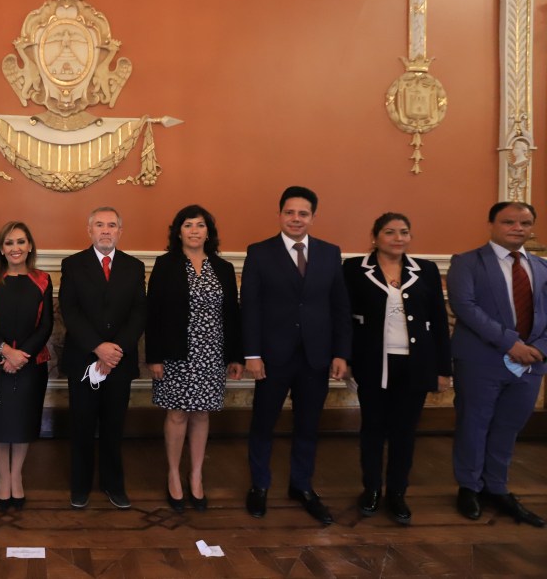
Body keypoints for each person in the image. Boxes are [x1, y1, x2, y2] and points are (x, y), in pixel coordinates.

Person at [241, 185, 351, 525]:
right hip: (272, 356)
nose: (296, 218)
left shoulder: (330, 253)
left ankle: (301, 486)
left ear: (313, 218)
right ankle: (260, 485)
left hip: (316, 357)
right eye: (289, 212)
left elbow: (340, 307)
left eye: (303, 213)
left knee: (308, 425)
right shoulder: (259, 252)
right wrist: (252, 354)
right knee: (263, 423)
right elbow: (250, 307)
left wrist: (341, 353)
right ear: (279, 215)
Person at [342, 212, 451, 525]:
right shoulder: (354, 269)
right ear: (375, 237)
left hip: (416, 364)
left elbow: (439, 321)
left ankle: (397, 492)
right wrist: (344, 358)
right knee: (373, 429)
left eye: (404, 232)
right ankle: (372, 489)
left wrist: (443, 368)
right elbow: (343, 317)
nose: (398, 238)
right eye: (390, 232)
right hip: (373, 363)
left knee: (405, 431)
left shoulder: (426, 270)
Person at [448, 201, 547, 527]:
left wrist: (539, 350)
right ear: (491, 224)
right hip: (481, 360)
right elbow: (465, 307)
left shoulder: (542, 267)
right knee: (473, 425)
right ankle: (469, 487)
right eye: (509, 222)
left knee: (508, 427)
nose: (518, 228)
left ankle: (497, 487)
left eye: (525, 223)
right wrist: (510, 343)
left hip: (530, 364)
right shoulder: (467, 262)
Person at [145, 205, 242, 513]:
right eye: (188, 225)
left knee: (201, 414)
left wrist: (235, 356)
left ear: (208, 232)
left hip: (211, 354)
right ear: (179, 232)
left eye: (200, 225)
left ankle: (196, 475)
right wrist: (155, 356)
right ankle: (174, 474)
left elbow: (232, 315)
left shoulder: (223, 268)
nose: (194, 231)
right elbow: (153, 313)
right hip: (176, 353)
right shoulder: (165, 265)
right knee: (176, 414)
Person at [59, 206, 147, 510]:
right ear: (90, 230)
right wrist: (98, 347)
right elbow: (70, 311)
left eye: (111, 225)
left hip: (119, 362)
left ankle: (113, 484)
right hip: (83, 359)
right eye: (99, 225)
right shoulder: (72, 265)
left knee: (114, 426)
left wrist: (114, 350)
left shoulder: (134, 267)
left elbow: (139, 313)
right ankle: (80, 486)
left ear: (120, 231)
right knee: (82, 425)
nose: (106, 230)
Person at [0, 221, 53, 512]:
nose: (15, 248)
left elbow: (46, 325)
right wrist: (6, 352)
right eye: (9, 243)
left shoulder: (43, 279)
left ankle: (16, 475)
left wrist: (22, 356)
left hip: (30, 364)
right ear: (1, 249)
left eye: (20, 241)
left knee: (22, 422)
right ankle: (3, 477)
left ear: (30, 246)